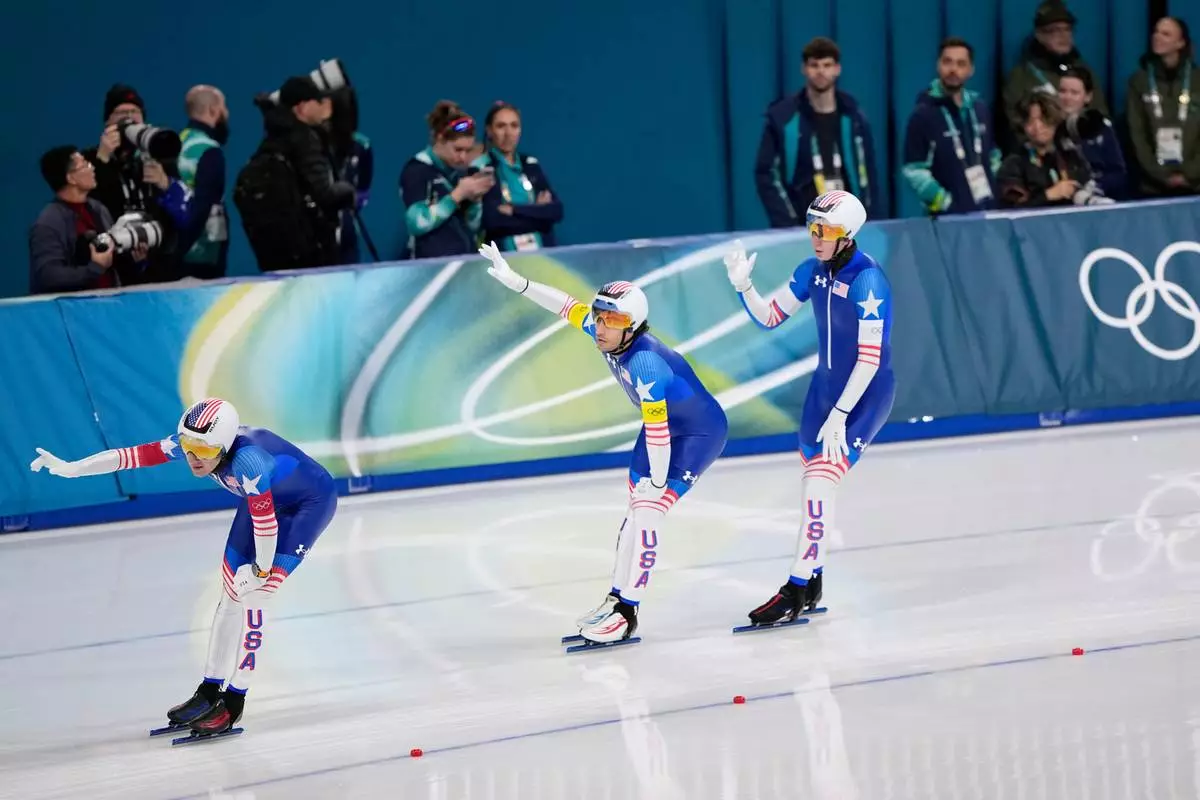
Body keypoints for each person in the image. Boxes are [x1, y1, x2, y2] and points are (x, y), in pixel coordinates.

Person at [29, 398, 337, 737]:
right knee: (230, 594)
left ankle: (234, 702)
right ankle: (209, 691)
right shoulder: (200, 442)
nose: (192, 458)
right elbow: (131, 456)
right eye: (188, 447)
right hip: (262, 502)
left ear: (224, 444)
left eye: (203, 451)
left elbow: (266, 526)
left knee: (257, 595)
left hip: (307, 505)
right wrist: (74, 468)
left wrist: (263, 572)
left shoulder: (250, 462)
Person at [479, 242, 729, 645]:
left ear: (631, 326)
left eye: (610, 320)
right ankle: (616, 597)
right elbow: (566, 305)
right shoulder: (609, 332)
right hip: (661, 430)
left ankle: (628, 613)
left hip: (698, 433)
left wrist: (660, 481)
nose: (600, 326)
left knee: (650, 509)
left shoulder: (645, 362)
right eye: (599, 318)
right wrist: (518, 282)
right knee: (634, 509)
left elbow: (661, 430)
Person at [722, 191, 894, 626]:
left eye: (828, 230)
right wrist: (744, 285)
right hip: (824, 394)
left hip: (863, 396)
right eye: (812, 227)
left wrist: (840, 414)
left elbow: (870, 360)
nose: (817, 237)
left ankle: (796, 588)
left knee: (819, 483)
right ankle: (814, 580)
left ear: (849, 235)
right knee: (813, 486)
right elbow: (770, 317)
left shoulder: (867, 281)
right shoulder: (812, 271)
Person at [755, 37, 881, 227]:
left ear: (837, 69)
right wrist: (787, 224)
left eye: (827, 65)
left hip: (849, 224)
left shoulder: (854, 117)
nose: (820, 71)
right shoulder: (783, 118)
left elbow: (868, 173)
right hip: (802, 224)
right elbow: (766, 173)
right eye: (814, 65)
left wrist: (871, 220)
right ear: (804, 69)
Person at [902, 37, 1002, 215]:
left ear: (971, 70)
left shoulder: (980, 109)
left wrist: (994, 191)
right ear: (938, 65)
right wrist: (945, 203)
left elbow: (993, 155)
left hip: (987, 211)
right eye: (947, 62)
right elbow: (914, 171)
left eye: (961, 64)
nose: (953, 69)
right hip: (947, 220)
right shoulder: (923, 115)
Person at [400, 101, 495, 259]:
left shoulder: (456, 174)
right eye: (458, 149)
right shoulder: (416, 170)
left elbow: (473, 227)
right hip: (432, 268)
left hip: (464, 265)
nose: (463, 157)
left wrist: (475, 201)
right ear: (439, 138)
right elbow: (416, 223)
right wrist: (457, 195)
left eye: (467, 150)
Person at [476, 101, 564, 252]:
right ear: (489, 131)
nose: (508, 133)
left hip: (544, 257)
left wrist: (514, 210)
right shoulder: (482, 168)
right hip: (506, 260)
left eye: (514, 126)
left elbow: (556, 211)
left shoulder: (531, 165)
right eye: (501, 126)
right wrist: (538, 213)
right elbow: (492, 221)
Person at [1126, 16, 1199, 197]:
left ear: (1180, 43)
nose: (1157, 37)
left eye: (1166, 34)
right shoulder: (1139, 81)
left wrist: (1190, 173)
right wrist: (1160, 175)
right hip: (1151, 186)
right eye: (1156, 32)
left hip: (1196, 184)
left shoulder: (1197, 81)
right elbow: (1137, 134)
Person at [997, 92, 1112, 208]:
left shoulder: (1070, 156)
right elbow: (1011, 210)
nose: (1037, 127)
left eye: (1043, 119)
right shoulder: (1014, 164)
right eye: (1030, 121)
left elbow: (1086, 187)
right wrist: (1049, 195)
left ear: (1055, 120)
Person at [1056, 68, 1127, 200]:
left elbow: (1118, 173)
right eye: (1062, 91)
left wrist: (1095, 186)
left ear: (1087, 96)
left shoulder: (1100, 127)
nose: (1067, 97)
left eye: (1074, 93)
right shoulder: (1050, 130)